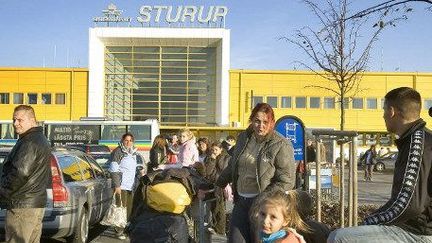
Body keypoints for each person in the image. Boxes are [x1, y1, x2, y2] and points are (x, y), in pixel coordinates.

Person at [328, 87, 432, 242]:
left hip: (417, 232)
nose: (383, 115)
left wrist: (368, 221)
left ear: (391, 111)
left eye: (384, 110)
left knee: (339, 238)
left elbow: (408, 204)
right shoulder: (418, 139)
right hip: (415, 227)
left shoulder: (416, 144)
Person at [215, 103, 296, 243]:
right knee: (235, 240)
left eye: (266, 122)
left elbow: (287, 180)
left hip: (263, 206)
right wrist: (219, 183)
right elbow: (233, 165)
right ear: (251, 120)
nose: (261, 126)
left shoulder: (280, 144)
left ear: (272, 123)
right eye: (257, 121)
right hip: (241, 201)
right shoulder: (243, 138)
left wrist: (264, 197)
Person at [0, 105, 51, 243]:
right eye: (14, 120)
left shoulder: (29, 142)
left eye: (20, 120)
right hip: (33, 204)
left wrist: (2, 192)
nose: (15, 124)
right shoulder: (40, 139)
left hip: (21, 206)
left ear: (32, 120)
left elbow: (20, 173)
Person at [109, 132, 145, 239]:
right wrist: (117, 185)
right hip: (121, 186)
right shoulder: (118, 152)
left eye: (130, 140)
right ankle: (118, 231)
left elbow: (134, 168)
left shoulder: (133, 153)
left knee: (128, 209)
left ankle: (125, 229)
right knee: (120, 209)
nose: (128, 142)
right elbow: (113, 169)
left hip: (130, 186)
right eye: (126, 140)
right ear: (122, 140)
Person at [203, 142, 231, 235]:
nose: (214, 152)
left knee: (221, 208)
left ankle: (221, 229)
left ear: (221, 150)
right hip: (212, 184)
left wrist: (217, 159)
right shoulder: (209, 158)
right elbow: (207, 171)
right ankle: (216, 226)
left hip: (222, 185)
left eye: (216, 150)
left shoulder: (226, 157)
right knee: (214, 207)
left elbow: (224, 169)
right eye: (212, 149)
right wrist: (212, 160)